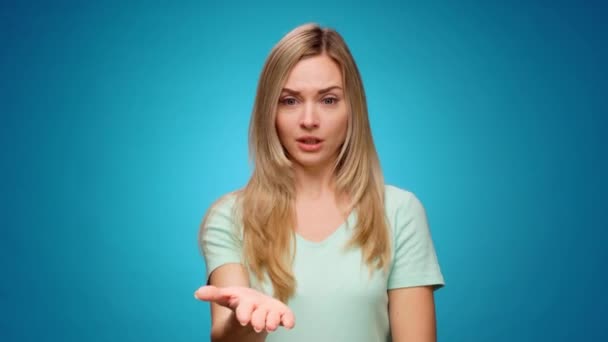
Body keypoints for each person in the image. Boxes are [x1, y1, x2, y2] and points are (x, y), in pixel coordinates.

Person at [194, 22, 445, 342]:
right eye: (290, 100)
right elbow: (225, 336)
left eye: (328, 100)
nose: (309, 120)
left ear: (352, 108)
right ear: (268, 112)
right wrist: (246, 320)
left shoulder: (399, 211)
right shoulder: (229, 216)